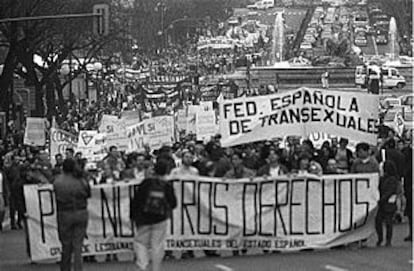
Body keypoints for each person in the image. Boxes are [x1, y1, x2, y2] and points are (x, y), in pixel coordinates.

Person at [130, 159, 177, 271]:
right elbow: (173, 203)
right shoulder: (167, 185)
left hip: (144, 218)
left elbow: (136, 200)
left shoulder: (146, 183)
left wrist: (133, 215)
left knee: (141, 243)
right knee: (157, 245)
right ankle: (156, 268)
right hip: (160, 219)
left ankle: (143, 265)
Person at [54, 158, 91, 271]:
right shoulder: (81, 180)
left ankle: (65, 268)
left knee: (66, 244)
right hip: (81, 212)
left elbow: (57, 196)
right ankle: (78, 268)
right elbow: (88, 193)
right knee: (78, 245)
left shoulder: (58, 181)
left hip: (65, 213)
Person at [376, 160, 400, 247]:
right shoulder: (383, 178)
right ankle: (380, 238)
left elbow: (390, 191)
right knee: (378, 221)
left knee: (388, 222)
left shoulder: (392, 179)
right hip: (383, 202)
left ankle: (388, 240)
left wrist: (382, 199)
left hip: (388, 203)